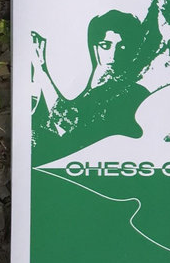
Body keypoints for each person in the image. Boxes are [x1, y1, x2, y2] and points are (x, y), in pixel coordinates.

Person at [31, 9, 148, 161]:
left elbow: (68, 127)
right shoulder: (93, 90)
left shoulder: (134, 94)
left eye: (122, 47)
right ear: (94, 48)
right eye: (105, 45)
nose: (113, 55)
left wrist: (41, 68)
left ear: (132, 50)